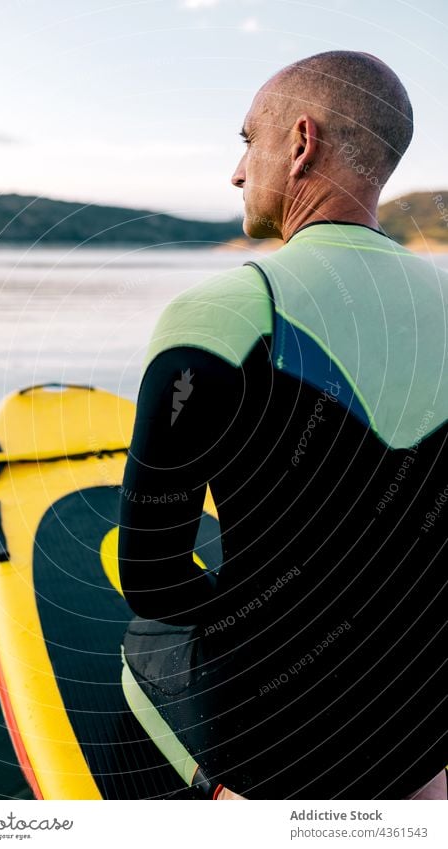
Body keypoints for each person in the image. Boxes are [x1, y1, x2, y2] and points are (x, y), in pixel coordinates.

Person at [117, 50, 448, 800]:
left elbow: (153, 579)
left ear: (300, 143)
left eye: (246, 140)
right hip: (423, 718)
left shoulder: (224, 312)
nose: (237, 172)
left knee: (145, 645)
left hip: (282, 743)